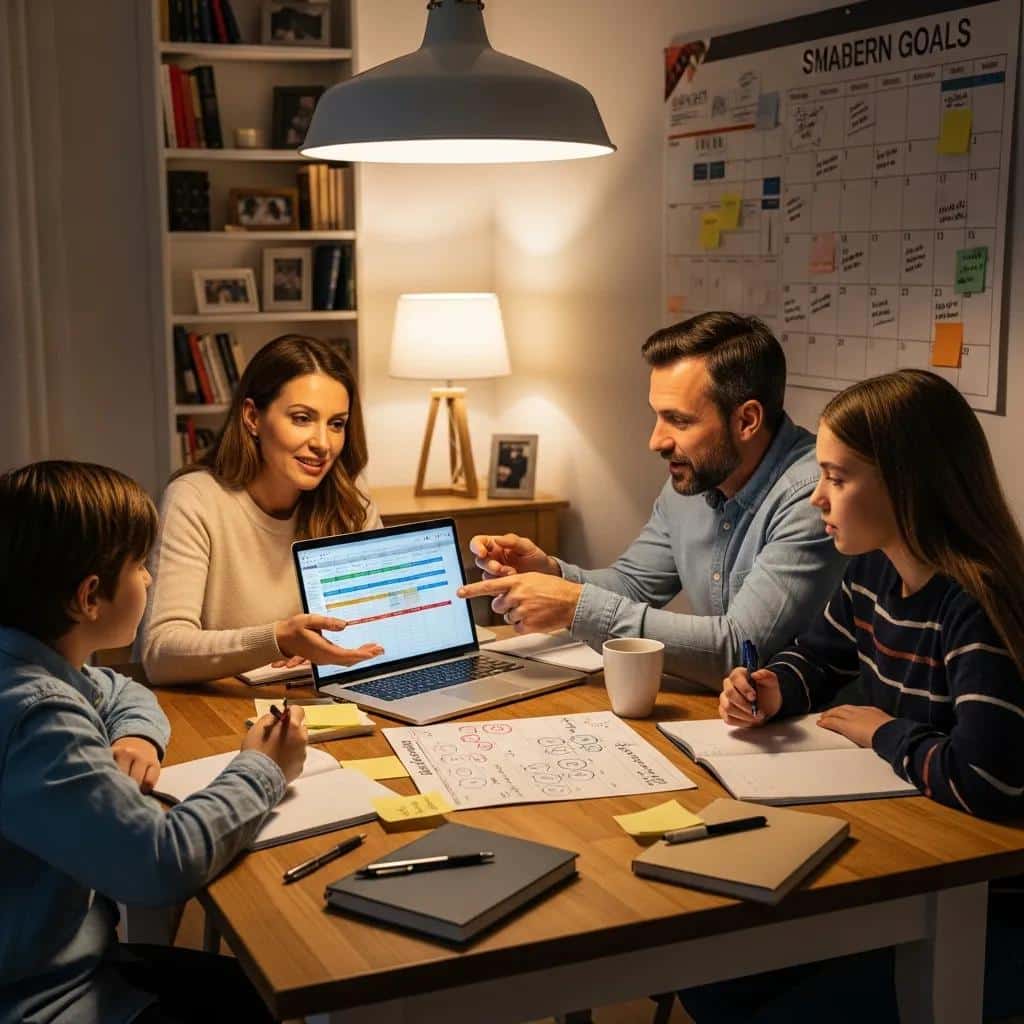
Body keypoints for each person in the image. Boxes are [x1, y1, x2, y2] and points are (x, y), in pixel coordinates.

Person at [684, 369, 1024, 1022]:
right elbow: (817, 656)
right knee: (708, 980)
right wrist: (770, 688)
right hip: (907, 852)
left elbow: (986, 779)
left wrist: (881, 731)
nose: (818, 498)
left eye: (837, 478)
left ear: (907, 484)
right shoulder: (873, 572)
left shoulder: (974, 607)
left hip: (983, 900)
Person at [0, 460, 309, 1024]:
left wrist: (137, 734)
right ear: (90, 596)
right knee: (287, 989)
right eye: (140, 565)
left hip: (64, 963)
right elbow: (157, 865)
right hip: (50, 999)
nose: (148, 579)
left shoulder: (27, 662)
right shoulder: (38, 718)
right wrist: (263, 768)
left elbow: (118, 689)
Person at [458, 312, 847, 687]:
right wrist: (553, 576)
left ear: (746, 421)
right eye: (657, 416)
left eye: (678, 421)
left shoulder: (814, 496)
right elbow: (633, 584)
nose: (655, 441)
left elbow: (740, 650)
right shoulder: (695, 478)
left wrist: (574, 606)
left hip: (818, 729)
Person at [139, 334, 385, 685]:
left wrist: (330, 642)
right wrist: (279, 640)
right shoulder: (194, 498)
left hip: (319, 696)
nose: (322, 443)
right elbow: (160, 653)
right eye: (302, 418)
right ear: (253, 417)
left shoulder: (350, 496)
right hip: (216, 710)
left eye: (336, 424)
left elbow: (381, 616)